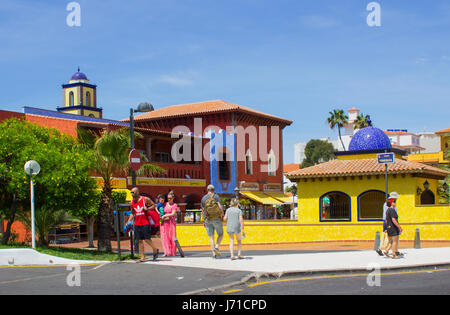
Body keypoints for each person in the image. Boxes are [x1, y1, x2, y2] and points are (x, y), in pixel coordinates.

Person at [127, 187, 159, 263]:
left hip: (145, 223)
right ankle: (142, 257)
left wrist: (147, 209)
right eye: (131, 192)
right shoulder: (132, 202)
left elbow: (154, 205)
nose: (132, 194)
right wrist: (128, 221)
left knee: (147, 239)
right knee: (139, 240)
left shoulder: (145, 199)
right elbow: (132, 213)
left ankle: (155, 249)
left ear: (138, 192)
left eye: (133, 192)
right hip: (137, 223)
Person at [201, 184, 224, 258]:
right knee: (220, 234)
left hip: (208, 219)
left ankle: (213, 254)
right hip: (216, 218)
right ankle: (216, 247)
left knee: (211, 237)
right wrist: (222, 214)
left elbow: (203, 210)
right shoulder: (216, 196)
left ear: (207, 190)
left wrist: (204, 220)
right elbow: (220, 206)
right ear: (213, 190)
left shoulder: (203, 198)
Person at [376, 192, 399, 256]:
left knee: (387, 237)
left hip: (387, 222)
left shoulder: (387, 203)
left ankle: (393, 250)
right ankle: (382, 249)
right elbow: (391, 215)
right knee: (390, 238)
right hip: (390, 222)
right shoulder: (390, 204)